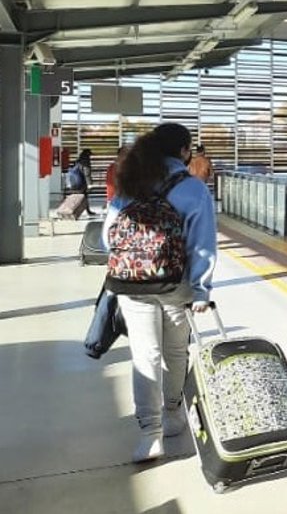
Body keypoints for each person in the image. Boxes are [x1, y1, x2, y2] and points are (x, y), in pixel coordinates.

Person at [102, 123, 216, 463]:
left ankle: (149, 435)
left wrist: (134, 260)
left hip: (133, 283)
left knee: (145, 354)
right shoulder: (193, 189)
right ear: (184, 151)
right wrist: (201, 290)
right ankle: (172, 413)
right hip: (176, 284)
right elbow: (203, 246)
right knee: (175, 352)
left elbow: (109, 235)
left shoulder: (133, 180)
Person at [68, 148, 97, 217]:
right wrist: (90, 184)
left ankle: (86, 211)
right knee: (83, 198)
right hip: (81, 183)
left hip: (74, 183)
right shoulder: (86, 162)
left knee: (77, 198)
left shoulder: (78, 161)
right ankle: (75, 212)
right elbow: (87, 174)